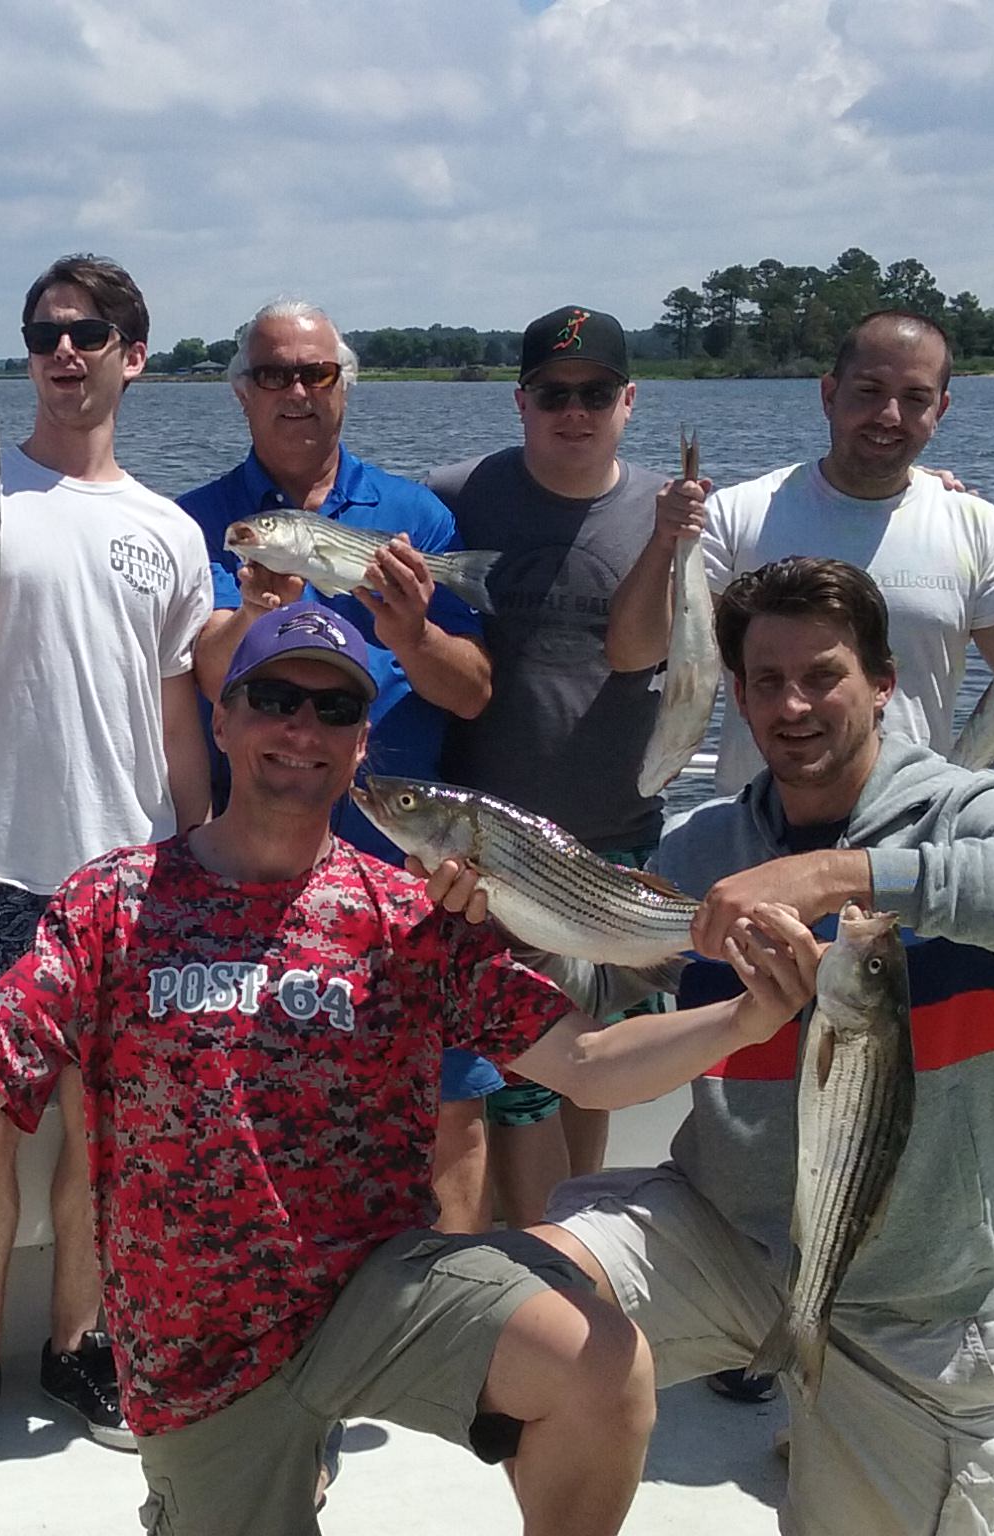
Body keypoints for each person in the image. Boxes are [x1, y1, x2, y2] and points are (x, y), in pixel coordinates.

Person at [0, 598, 843, 1536]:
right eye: (274, 698)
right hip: (194, 1347)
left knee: (604, 1369)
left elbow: (588, 1060)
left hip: (373, 1294)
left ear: (359, 745)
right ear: (225, 719)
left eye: (332, 710)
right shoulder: (113, 901)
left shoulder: (405, 916)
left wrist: (747, 1018)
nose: (300, 728)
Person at [433, 555, 994, 1534]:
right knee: (498, 1318)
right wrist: (494, 916)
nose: (792, 704)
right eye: (765, 681)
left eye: (823, 675)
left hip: (915, 1292)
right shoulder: (703, 852)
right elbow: (586, 1002)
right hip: (725, 1230)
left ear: (883, 683)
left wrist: (846, 878)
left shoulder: (975, 817)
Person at [0, 253, 213, 1470]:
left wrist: (203, 863)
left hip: (129, 880)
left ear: (134, 353)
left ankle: (78, 1345)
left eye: (89, 333)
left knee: (101, 1133)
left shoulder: (170, 532)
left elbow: (176, 719)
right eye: (43, 333)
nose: (63, 352)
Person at [176, 297, 501, 1231]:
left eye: (316, 374)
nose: (296, 393)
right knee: (268, 1096)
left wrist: (411, 630)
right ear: (241, 392)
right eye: (274, 374)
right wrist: (251, 614)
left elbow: (472, 689)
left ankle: (448, 1308)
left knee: (447, 1098)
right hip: (259, 864)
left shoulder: (414, 518)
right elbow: (202, 677)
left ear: (345, 390)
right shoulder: (196, 522)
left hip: (406, 860)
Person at [605, 310, 994, 792]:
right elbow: (633, 654)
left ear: (940, 411)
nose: (889, 416)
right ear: (829, 394)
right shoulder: (737, 514)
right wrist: (665, 542)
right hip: (757, 836)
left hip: (908, 834)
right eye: (869, 392)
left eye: (915, 398)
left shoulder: (978, 528)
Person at [425, 303, 667, 1224]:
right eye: (552, 394)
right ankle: (527, 1274)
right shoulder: (455, 496)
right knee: (508, 1082)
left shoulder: (678, 508)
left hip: (617, 846)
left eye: (596, 393)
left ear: (629, 400)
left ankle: (572, 1240)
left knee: (589, 1076)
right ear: (520, 402)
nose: (575, 411)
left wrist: (940, 488)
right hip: (488, 859)